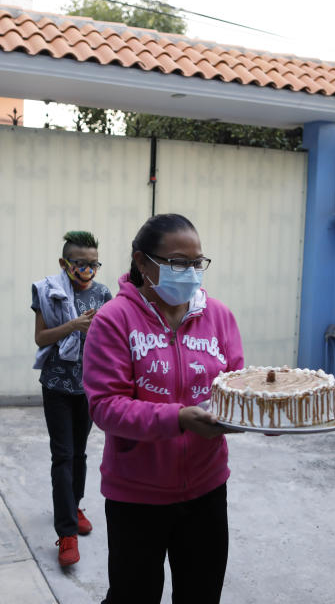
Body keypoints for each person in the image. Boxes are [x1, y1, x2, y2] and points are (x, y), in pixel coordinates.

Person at [83, 214, 243, 603]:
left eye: (196, 262)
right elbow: (106, 407)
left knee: (201, 594)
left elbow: (237, 387)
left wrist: (267, 417)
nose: (189, 272)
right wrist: (179, 418)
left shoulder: (218, 316)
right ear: (142, 262)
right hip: (136, 494)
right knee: (133, 594)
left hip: (206, 488)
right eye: (177, 262)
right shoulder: (114, 320)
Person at [32, 231, 113, 567]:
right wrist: (73, 325)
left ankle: (74, 504)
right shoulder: (49, 292)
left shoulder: (104, 294)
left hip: (89, 387)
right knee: (62, 455)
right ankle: (65, 533)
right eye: (80, 264)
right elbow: (40, 338)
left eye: (93, 263)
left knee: (79, 453)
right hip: (57, 386)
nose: (88, 269)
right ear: (64, 264)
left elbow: (113, 339)